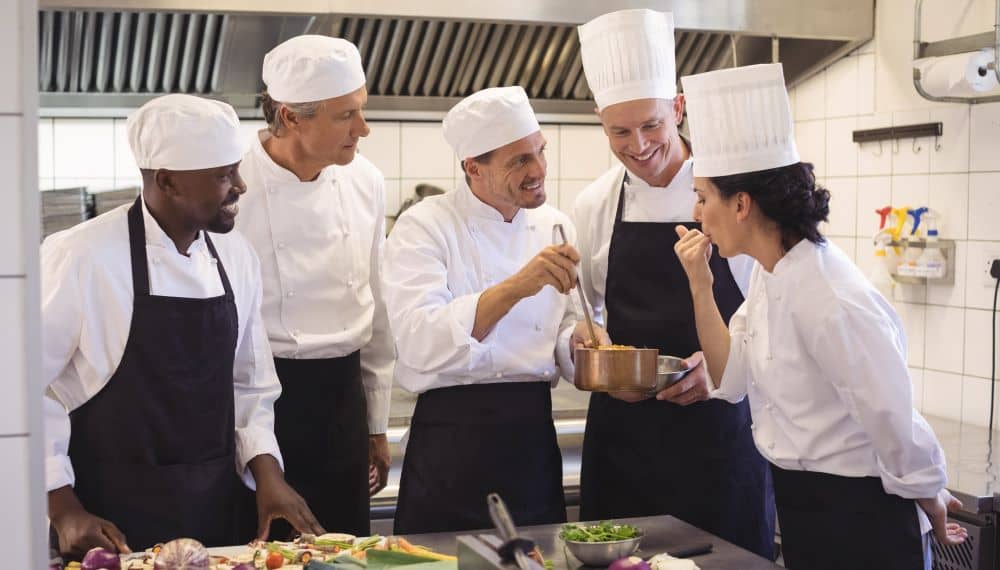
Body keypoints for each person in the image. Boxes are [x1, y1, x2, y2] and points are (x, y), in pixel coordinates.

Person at [674, 62, 967, 569]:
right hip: (804, 509)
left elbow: (890, 415)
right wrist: (701, 285)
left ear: (741, 203)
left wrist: (930, 495)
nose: (696, 213)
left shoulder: (830, 294)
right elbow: (730, 376)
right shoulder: (773, 274)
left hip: (861, 520)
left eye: (702, 198)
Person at [42, 94, 323, 558]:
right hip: (107, 523)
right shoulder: (81, 256)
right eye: (223, 175)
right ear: (167, 181)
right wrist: (62, 507)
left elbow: (250, 384)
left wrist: (268, 475)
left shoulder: (236, 258)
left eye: (236, 169)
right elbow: (19, 390)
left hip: (217, 516)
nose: (241, 185)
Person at [572, 8, 774, 557]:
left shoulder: (734, 197)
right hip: (624, 445)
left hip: (720, 443)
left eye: (652, 125)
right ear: (600, 121)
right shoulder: (595, 205)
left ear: (678, 109)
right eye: (619, 130)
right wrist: (594, 357)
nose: (638, 145)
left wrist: (726, 368)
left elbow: (775, 313)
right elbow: (583, 313)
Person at [383, 86, 606, 534]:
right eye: (519, 160)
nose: (539, 170)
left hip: (532, 443)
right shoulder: (424, 226)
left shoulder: (556, 225)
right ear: (473, 168)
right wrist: (518, 285)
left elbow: (560, 324)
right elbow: (420, 341)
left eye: (540, 152)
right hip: (451, 446)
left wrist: (576, 337)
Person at [234, 35, 394, 537]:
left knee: (347, 552)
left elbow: (377, 306)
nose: (363, 129)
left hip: (342, 404)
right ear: (290, 117)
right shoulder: (229, 182)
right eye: (345, 115)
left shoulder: (366, 180)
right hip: (261, 405)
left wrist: (375, 422)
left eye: (361, 110)